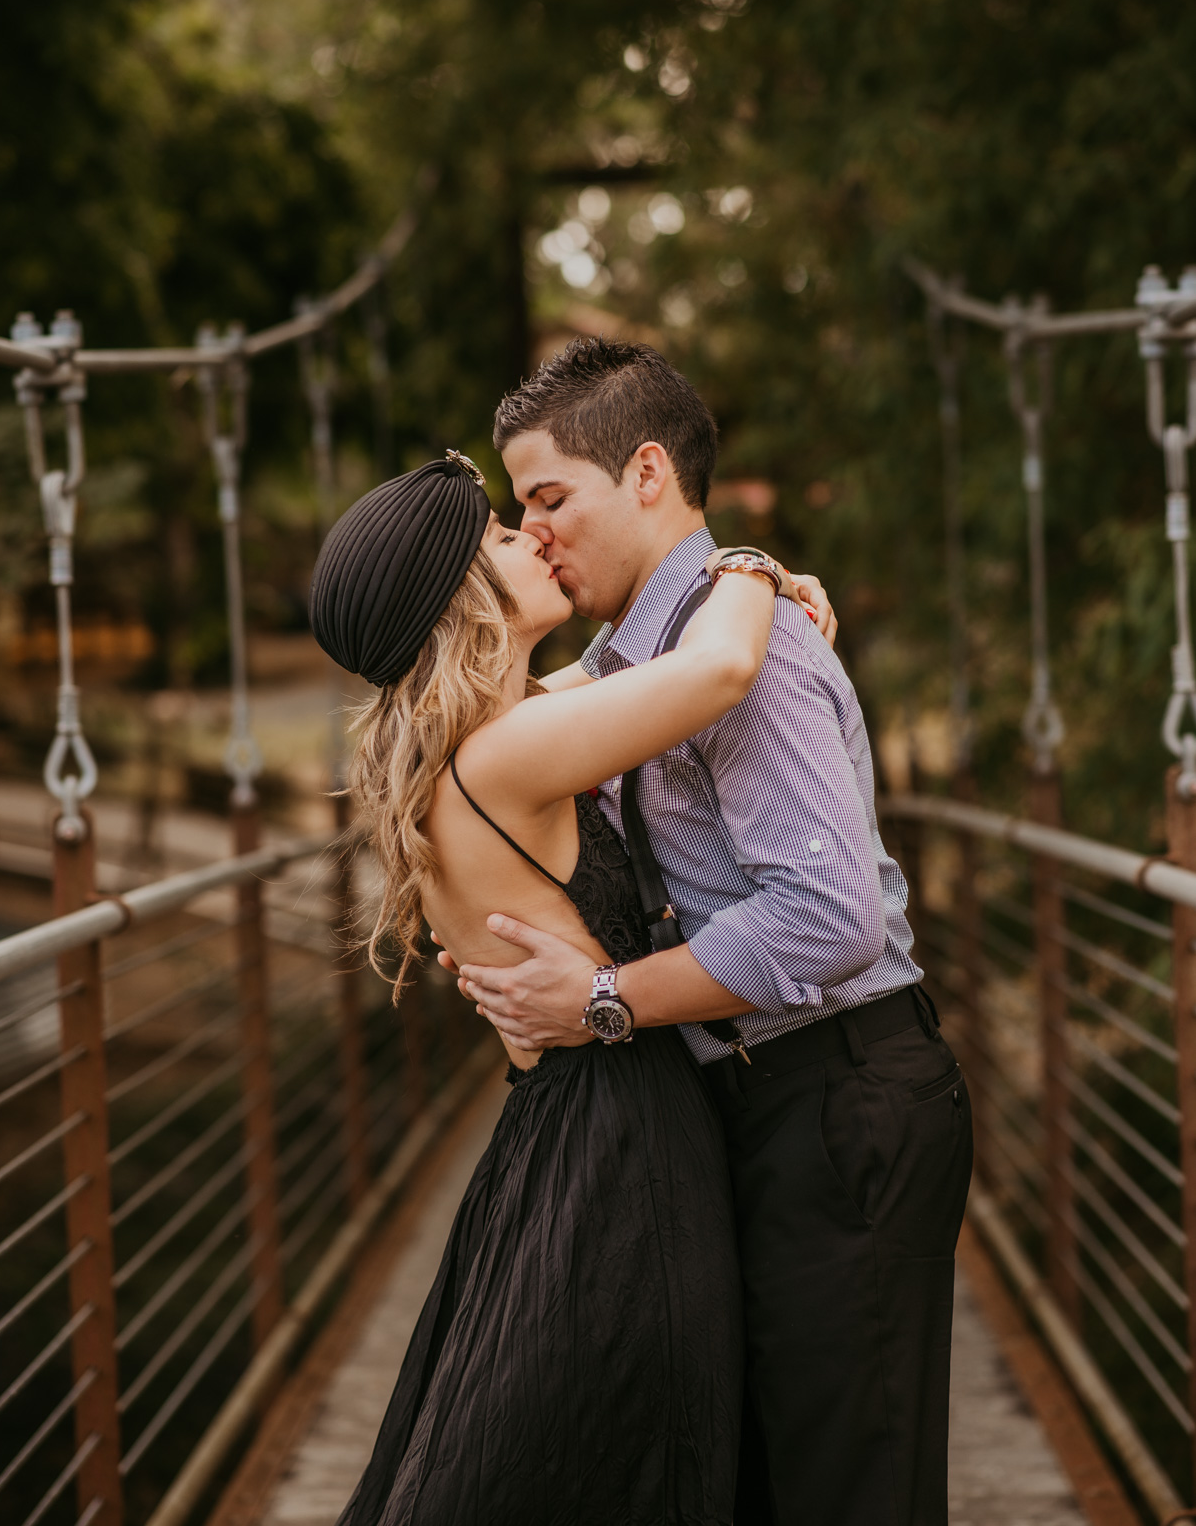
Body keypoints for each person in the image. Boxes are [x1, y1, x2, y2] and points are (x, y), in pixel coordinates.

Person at [449, 339, 974, 1526]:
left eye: (548, 500)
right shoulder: (644, 660)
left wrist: (604, 999)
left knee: (848, 1487)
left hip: (839, 1098)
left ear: (644, 473)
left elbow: (827, 919)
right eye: (519, 512)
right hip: (749, 1102)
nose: (534, 536)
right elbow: (494, 746)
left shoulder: (757, 655)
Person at [307, 447, 802, 1526]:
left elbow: (607, 674)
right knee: (626, 1453)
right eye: (497, 535)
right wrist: (750, 571)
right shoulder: (507, 756)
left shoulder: (473, 745)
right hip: (620, 1146)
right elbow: (716, 674)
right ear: (455, 602)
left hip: (556, 1135)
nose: (528, 533)